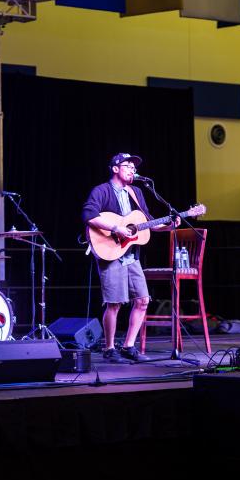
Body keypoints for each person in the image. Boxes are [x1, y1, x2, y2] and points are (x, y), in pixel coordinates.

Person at [82, 153, 179, 362]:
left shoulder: (136, 192)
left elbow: (148, 222)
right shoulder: (102, 190)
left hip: (131, 255)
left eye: (134, 168)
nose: (133, 170)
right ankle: (109, 348)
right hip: (111, 253)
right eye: (128, 166)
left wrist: (169, 226)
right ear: (115, 168)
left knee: (143, 300)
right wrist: (116, 228)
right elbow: (89, 216)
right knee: (114, 303)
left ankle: (128, 346)